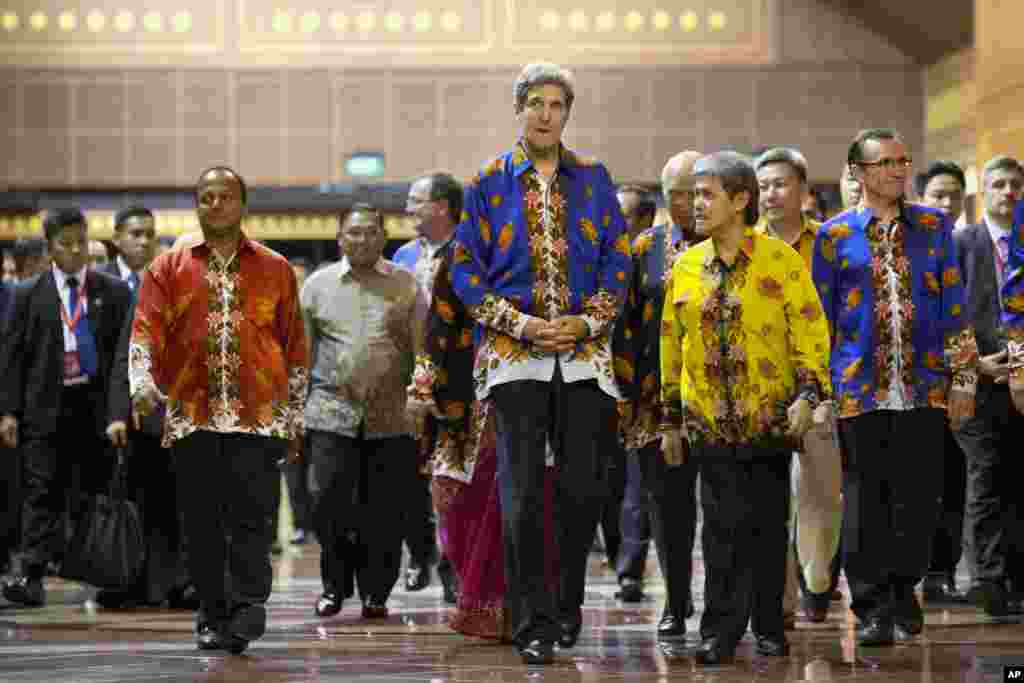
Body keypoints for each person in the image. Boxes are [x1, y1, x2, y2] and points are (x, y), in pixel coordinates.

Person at [446, 62, 632, 665]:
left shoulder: (594, 178)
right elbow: (466, 272)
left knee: (582, 491)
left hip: (583, 358)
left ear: (567, 113)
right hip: (514, 358)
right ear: (519, 108)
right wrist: (521, 324)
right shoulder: (487, 183)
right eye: (536, 102)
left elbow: (618, 260)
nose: (546, 113)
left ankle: (567, 606)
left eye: (558, 104)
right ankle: (531, 622)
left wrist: (586, 322)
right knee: (521, 492)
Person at [660, 151, 831, 665]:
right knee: (718, 533)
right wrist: (669, 421)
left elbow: (809, 332)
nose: (696, 204)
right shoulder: (686, 266)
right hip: (710, 425)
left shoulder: (781, 260)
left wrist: (807, 395)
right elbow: (671, 345)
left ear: (740, 200)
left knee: (766, 528)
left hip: (769, 422)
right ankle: (719, 630)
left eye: (708, 194)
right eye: (693, 194)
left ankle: (769, 626)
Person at [129, 167, 307, 654]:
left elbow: (294, 346)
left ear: (242, 204)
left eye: (224, 197)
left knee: (253, 519)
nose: (215, 205)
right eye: (205, 198)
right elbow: (144, 331)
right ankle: (210, 615)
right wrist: (141, 383)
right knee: (201, 525)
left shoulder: (275, 268)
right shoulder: (167, 268)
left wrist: (295, 414)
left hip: (259, 416)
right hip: (191, 416)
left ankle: (248, 604)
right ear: (197, 206)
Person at [812, 129, 978, 647]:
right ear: (857, 173)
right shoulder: (835, 236)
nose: (897, 170)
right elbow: (820, 318)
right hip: (859, 389)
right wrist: (818, 391)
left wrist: (965, 379)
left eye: (903, 161)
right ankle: (871, 605)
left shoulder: (933, 226)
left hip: (924, 384)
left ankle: (904, 590)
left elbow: (955, 307)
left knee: (918, 498)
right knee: (865, 498)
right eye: (884, 162)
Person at [0, 208, 133, 607]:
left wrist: (117, 413)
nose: (76, 251)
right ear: (51, 247)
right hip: (45, 406)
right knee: (40, 491)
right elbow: (13, 357)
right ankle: (31, 573)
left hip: (93, 407)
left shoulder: (112, 292)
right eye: (66, 244)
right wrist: (7, 411)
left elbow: (119, 361)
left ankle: (102, 572)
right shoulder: (29, 293)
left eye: (81, 242)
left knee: (94, 491)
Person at [301, 204, 424, 622]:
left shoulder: (406, 285)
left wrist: (421, 398)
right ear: (340, 239)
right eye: (354, 233)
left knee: (385, 511)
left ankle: (376, 591)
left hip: (391, 417)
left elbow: (423, 352)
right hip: (329, 412)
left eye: (371, 232)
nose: (362, 239)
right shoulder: (317, 286)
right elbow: (301, 355)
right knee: (326, 503)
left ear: (383, 238)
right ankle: (334, 585)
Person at [754, 147, 842, 625]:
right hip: (764, 389)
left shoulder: (827, 245)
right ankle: (779, 600)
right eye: (764, 185)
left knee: (820, 495)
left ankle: (817, 579)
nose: (771, 193)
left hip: (820, 387)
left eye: (781, 183)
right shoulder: (746, 246)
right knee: (770, 502)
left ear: (804, 192)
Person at [615, 151, 702, 634]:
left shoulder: (734, 247)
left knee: (725, 508)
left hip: (720, 399)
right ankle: (676, 600)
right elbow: (623, 332)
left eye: (696, 191)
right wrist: (626, 404)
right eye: (678, 194)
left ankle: (727, 602)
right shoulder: (643, 248)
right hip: (655, 404)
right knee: (667, 508)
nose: (687, 202)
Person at [954, 158, 1024, 616]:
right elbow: (947, 311)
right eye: (998, 184)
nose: (1008, 192)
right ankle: (988, 580)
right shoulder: (962, 243)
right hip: (978, 379)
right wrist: (975, 364)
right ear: (984, 191)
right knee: (986, 478)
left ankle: (1017, 578)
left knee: (1018, 479)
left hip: (1023, 380)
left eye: (1016, 185)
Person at [394, 172, 463, 602]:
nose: (408, 209)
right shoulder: (402, 255)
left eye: (415, 200)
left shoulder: (470, 252)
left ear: (441, 206)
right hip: (407, 385)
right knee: (409, 478)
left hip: (456, 386)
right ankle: (419, 555)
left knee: (453, 479)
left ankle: (453, 566)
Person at [915, 161, 971, 604]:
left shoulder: (971, 244)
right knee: (915, 485)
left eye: (953, 193)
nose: (946, 202)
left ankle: (942, 571)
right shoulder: (914, 246)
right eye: (937, 194)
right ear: (922, 198)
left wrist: (968, 377)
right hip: (916, 383)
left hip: (966, 382)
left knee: (954, 481)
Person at [602, 184, 658, 598]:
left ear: (645, 221)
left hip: (644, 390)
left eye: (624, 215)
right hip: (601, 385)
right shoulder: (602, 261)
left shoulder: (652, 265)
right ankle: (624, 562)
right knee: (609, 483)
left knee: (638, 483)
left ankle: (631, 568)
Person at [281, 256, 314, 548]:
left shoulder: (317, 314)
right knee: (293, 468)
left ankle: (319, 522)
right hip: (285, 402)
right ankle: (301, 524)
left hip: (319, 401)